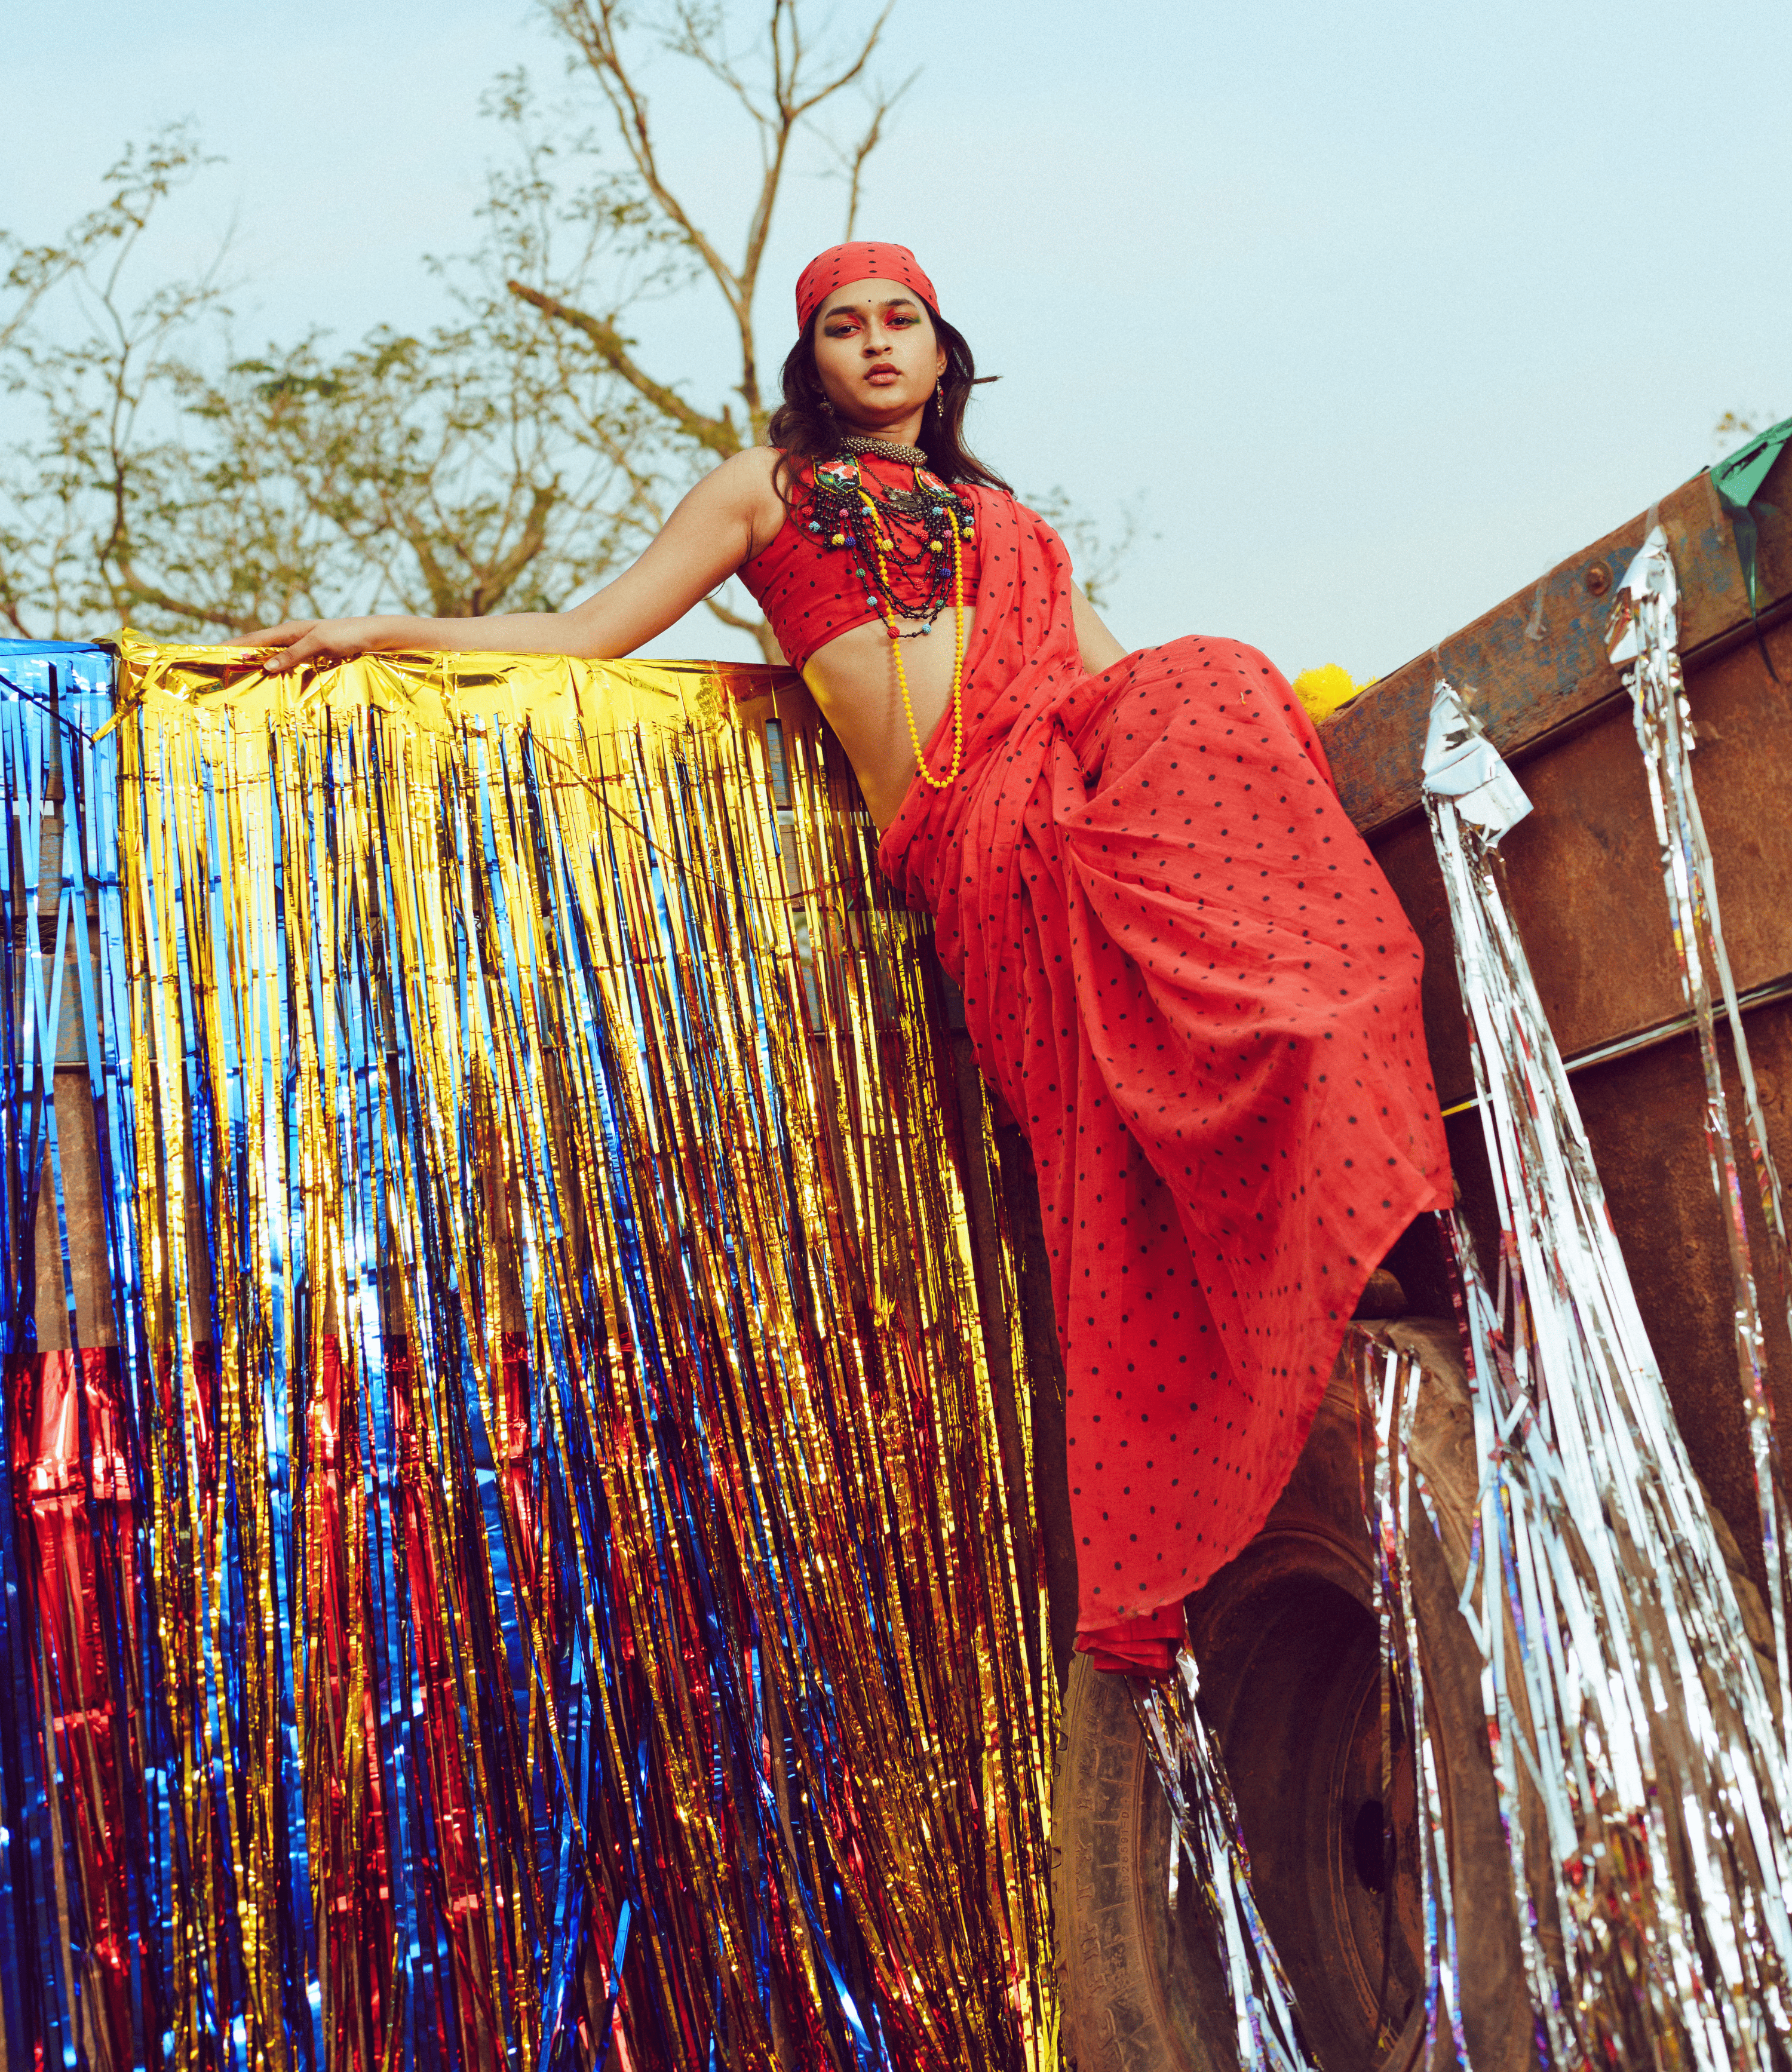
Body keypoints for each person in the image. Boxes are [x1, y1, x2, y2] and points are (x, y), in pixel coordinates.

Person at [244, 240, 1452, 1675]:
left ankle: (1328, 1213)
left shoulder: (1015, 528)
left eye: (901, 323)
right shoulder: (764, 491)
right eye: (842, 327)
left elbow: (1118, 684)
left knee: (1214, 678)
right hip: (969, 837)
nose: (875, 345)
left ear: (944, 356)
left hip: (1067, 787)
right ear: (810, 360)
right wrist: (387, 627)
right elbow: (587, 635)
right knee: (1107, 1087)